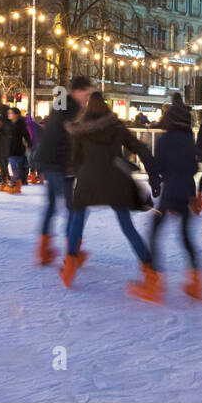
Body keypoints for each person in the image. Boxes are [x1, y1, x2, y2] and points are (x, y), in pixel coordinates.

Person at [61, 92, 161, 299]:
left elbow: (75, 158)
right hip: (115, 179)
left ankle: (69, 267)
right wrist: (153, 176)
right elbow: (139, 146)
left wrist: (82, 173)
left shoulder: (80, 129)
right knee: (127, 227)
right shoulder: (115, 126)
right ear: (106, 106)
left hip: (88, 179)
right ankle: (151, 276)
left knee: (77, 219)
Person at [146, 95, 202, 301]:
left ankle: (154, 280)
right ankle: (197, 282)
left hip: (170, 192)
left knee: (154, 231)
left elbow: (159, 167)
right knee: (185, 237)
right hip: (185, 191)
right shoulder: (188, 138)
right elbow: (193, 167)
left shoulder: (165, 139)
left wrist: (157, 184)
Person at [34, 77, 92, 266]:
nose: (88, 97)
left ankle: (43, 251)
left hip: (48, 161)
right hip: (60, 164)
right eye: (87, 93)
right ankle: (72, 252)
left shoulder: (60, 103)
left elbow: (53, 133)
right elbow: (68, 139)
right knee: (74, 209)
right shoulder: (73, 109)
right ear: (77, 91)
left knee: (51, 205)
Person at [3, 106, 30, 193]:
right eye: (8, 113)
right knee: (14, 168)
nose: (8, 114)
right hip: (9, 150)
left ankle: (13, 183)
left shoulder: (20, 124)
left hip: (16, 150)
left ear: (16, 115)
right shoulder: (9, 124)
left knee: (16, 169)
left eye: (10, 113)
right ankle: (15, 183)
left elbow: (26, 136)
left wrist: (30, 144)